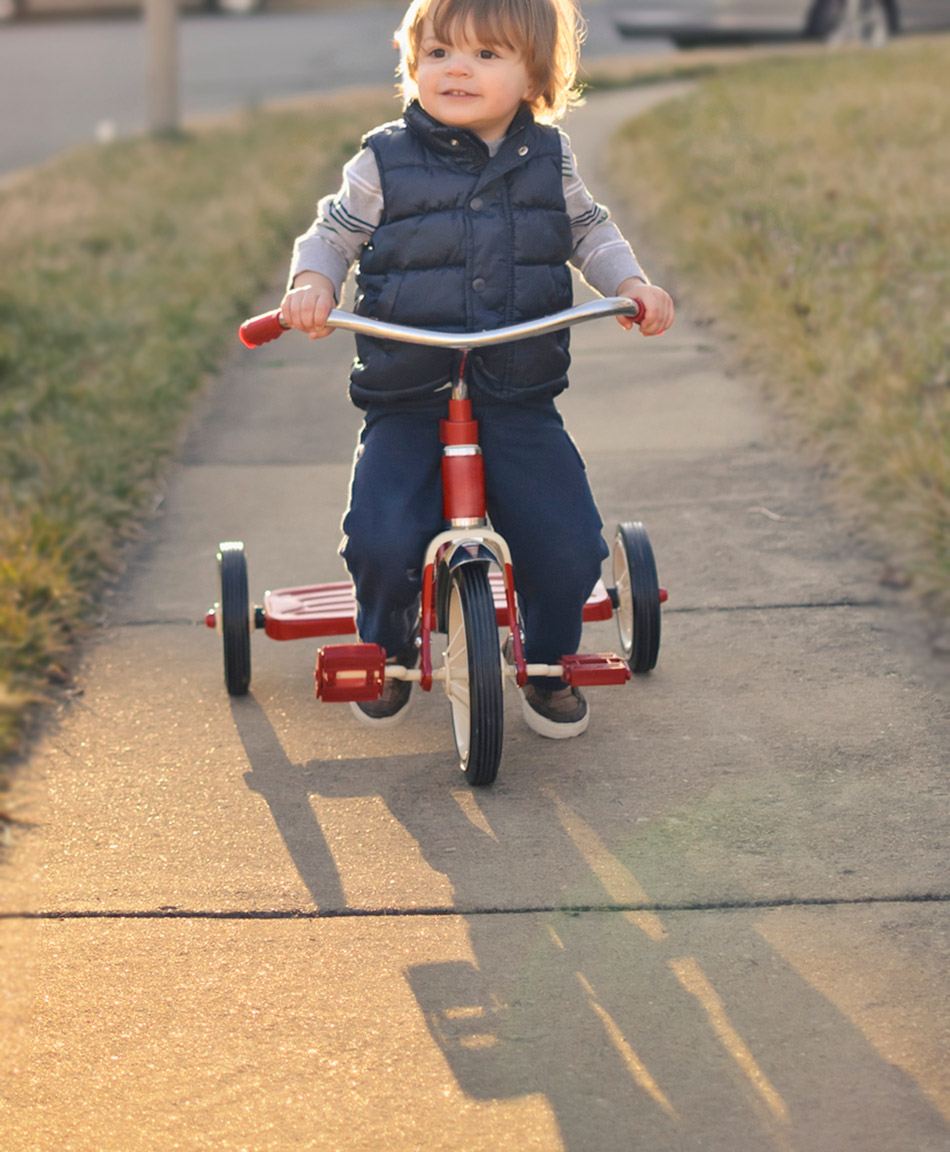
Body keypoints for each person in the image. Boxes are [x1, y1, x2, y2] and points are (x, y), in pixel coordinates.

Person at [281, 0, 675, 738]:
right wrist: (313, 285)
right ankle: (391, 652)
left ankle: (551, 665)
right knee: (381, 537)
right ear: (412, 65)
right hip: (408, 392)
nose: (457, 68)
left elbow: (589, 231)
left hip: (517, 392)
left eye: (487, 55)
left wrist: (629, 286)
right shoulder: (383, 160)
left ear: (535, 76)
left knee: (567, 542)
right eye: (438, 54)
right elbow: (333, 231)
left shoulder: (549, 160)